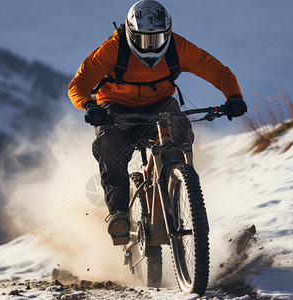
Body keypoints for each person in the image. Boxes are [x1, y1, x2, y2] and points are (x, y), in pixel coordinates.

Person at [68, 0, 247, 245]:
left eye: (158, 38)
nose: (151, 46)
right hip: (115, 106)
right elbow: (80, 82)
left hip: (159, 102)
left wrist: (233, 96)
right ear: (130, 34)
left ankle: (179, 184)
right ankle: (118, 214)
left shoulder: (179, 47)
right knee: (109, 145)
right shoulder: (113, 48)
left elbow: (217, 71)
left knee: (179, 132)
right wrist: (90, 106)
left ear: (169, 33)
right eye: (143, 40)